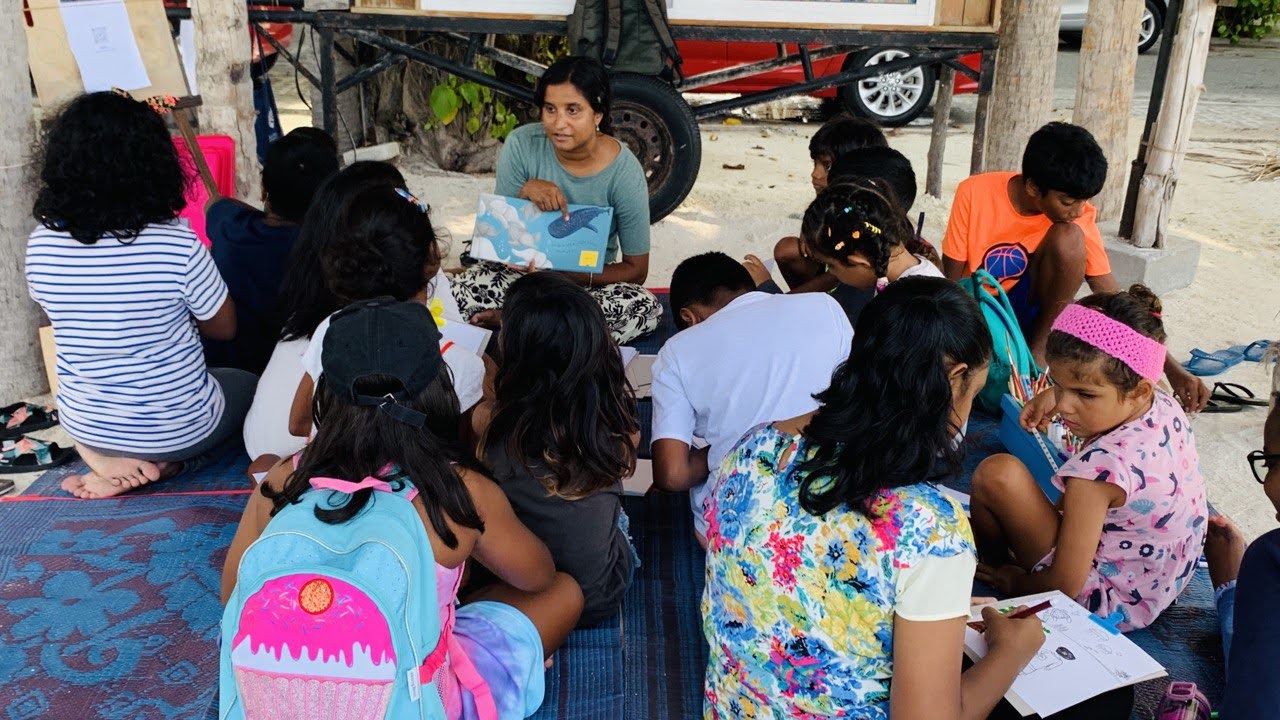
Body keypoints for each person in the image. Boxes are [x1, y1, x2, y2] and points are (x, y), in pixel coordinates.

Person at [221, 299, 583, 719]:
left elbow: (235, 597)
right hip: (412, 700)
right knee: (564, 592)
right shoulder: (458, 489)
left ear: (326, 391)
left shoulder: (283, 480)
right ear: (437, 385)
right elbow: (536, 575)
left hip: (288, 694)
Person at [703, 277, 1045, 719]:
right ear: (956, 377)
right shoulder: (930, 527)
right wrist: (1012, 652)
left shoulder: (753, 448)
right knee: (1098, 705)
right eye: (971, 395)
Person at [26, 91, 256, 499]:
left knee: (87, 404)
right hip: (177, 427)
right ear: (153, 166)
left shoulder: (42, 244)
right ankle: (169, 465)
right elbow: (225, 329)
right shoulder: (175, 245)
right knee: (246, 386)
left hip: (87, 422)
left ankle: (101, 459)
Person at [969, 286, 1208, 631]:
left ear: (1138, 389)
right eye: (1058, 383)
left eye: (1084, 394)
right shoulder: (1162, 403)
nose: (1064, 405)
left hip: (1105, 603)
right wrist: (1058, 393)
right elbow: (1091, 387)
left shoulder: (1097, 474)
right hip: (1160, 581)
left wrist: (1014, 583)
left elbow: (1065, 586)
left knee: (997, 474)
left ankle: (995, 566)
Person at [941, 121, 1209, 412]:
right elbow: (951, 281)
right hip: (982, 314)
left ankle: (1038, 356)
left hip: (1038, 320)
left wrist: (1169, 367)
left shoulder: (1075, 218)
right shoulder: (974, 193)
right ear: (1033, 186)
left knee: (1068, 237)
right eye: (1068, 201)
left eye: (1083, 201)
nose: (1078, 210)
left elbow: (1113, 298)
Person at [241, 163, 468, 475]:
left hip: (328, 468)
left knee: (263, 465)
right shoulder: (444, 350)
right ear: (428, 257)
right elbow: (460, 431)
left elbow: (297, 424)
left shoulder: (328, 327)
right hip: (409, 478)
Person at [453, 55, 662, 344]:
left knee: (642, 306)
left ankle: (517, 322)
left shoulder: (624, 171)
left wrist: (567, 276)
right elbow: (498, 242)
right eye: (550, 109)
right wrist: (524, 190)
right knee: (459, 292)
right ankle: (550, 332)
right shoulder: (521, 145)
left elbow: (636, 270)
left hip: (584, 288)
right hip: (520, 280)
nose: (559, 123)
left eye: (573, 110)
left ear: (597, 114)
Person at [651, 252, 852, 546]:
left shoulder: (676, 351)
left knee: (706, 526)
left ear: (687, 317)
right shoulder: (824, 305)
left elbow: (671, 475)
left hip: (746, 532)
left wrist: (725, 446)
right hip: (840, 510)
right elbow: (858, 397)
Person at [474, 272, 639, 627]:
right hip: (602, 594)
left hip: (522, 593)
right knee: (613, 515)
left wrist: (489, 385)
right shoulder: (611, 421)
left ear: (515, 357)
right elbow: (628, 454)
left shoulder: (492, 424)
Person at [202, 127, 339, 375]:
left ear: (264, 188)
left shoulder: (230, 225)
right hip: (290, 375)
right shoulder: (329, 249)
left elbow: (214, 204)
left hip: (226, 372)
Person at [1204, 344, 1280, 718]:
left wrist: (1232, 592)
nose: (1268, 485)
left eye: (1273, 463)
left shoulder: (1270, 561)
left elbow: (1253, 704)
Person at [747, 180, 944, 325]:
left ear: (859, 261)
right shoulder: (907, 276)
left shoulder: (911, 306)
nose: (831, 274)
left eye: (831, 266)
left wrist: (768, 291)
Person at [772, 113, 888, 294]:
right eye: (815, 163)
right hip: (835, 278)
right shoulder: (834, 207)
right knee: (787, 249)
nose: (815, 174)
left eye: (827, 166)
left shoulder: (869, 216)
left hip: (856, 294)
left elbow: (837, 274)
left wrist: (785, 300)